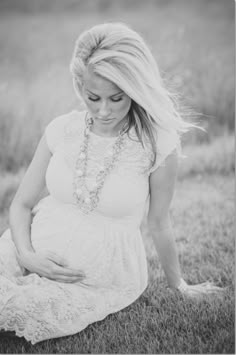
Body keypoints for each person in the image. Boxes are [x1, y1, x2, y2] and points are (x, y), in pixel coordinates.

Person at [0, 22, 223, 344]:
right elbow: (21, 204)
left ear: (135, 88)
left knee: (24, 311)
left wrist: (180, 285)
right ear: (80, 87)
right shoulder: (62, 129)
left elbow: (159, 222)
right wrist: (26, 254)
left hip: (97, 275)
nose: (104, 110)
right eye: (93, 97)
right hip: (30, 246)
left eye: (117, 98)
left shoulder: (159, 143)